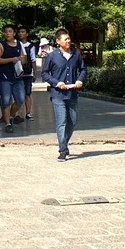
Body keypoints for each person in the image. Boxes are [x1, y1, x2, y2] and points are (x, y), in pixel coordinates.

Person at [41, 28, 86, 161]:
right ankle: (62, 150)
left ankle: (64, 143)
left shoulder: (76, 54)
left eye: (69, 39)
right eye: (65, 39)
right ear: (58, 41)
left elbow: (83, 69)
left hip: (72, 93)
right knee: (62, 121)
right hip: (58, 94)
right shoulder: (52, 56)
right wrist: (56, 82)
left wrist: (80, 80)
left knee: (73, 120)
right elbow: (44, 73)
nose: (68, 41)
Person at [0, 24, 26, 132]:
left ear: (14, 33)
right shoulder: (0, 45)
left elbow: (24, 58)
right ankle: (8, 123)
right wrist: (11, 59)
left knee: (20, 99)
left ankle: (9, 115)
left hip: (17, 76)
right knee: (6, 100)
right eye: (6, 31)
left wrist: (20, 59)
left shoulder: (19, 45)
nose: (8, 33)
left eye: (10, 31)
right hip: (5, 77)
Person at [16, 25, 37, 120]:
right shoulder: (15, 44)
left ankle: (28, 112)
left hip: (27, 72)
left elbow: (33, 59)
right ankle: (15, 113)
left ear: (27, 34)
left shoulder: (30, 46)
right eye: (19, 32)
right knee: (17, 93)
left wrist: (35, 72)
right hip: (17, 72)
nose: (21, 33)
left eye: (23, 31)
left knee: (28, 93)